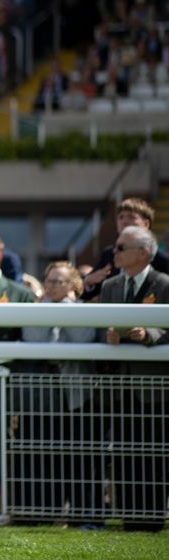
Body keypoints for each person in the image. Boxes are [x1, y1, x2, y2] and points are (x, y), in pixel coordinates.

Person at [13, 261, 99, 524]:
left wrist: (66, 309)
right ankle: (40, 514)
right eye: (48, 280)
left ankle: (82, 517)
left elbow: (83, 338)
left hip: (75, 395)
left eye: (58, 281)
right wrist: (48, 308)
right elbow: (33, 338)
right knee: (40, 456)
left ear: (73, 285)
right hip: (41, 397)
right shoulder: (36, 309)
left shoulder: (85, 310)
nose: (51, 286)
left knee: (77, 458)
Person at [97, 226, 168, 532]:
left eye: (121, 247)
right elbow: (97, 325)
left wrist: (148, 335)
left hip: (151, 387)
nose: (115, 252)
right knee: (124, 453)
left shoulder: (163, 283)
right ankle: (128, 516)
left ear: (143, 253)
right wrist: (108, 333)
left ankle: (151, 518)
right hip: (119, 384)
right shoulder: (111, 285)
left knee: (152, 453)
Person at [82, 197, 169, 301]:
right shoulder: (109, 254)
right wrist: (88, 282)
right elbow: (88, 293)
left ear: (146, 224)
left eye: (131, 217)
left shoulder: (162, 265)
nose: (124, 221)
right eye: (121, 217)